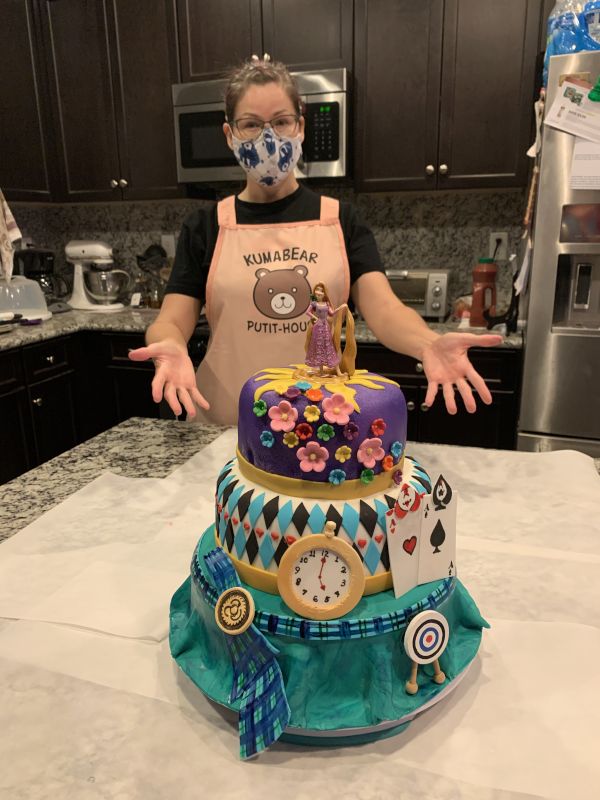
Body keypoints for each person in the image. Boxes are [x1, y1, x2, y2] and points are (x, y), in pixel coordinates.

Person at [129, 56, 502, 425]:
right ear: (230, 135)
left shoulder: (341, 221)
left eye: (281, 122)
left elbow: (385, 310)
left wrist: (428, 343)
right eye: (251, 125)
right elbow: (171, 321)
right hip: (224, 426)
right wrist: (170, 346)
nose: (268, 137)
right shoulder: (205, 226)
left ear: (300, 128)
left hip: (315, 425)